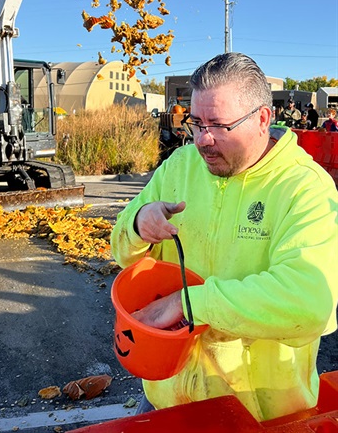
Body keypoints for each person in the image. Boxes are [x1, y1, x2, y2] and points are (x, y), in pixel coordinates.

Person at [111, 53, 338, 423]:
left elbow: (310, 302)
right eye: (196, 123)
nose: (203, 140)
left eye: (218, 124)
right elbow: (119, 248)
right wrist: (138, 225)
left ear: (263, 118)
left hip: (260, 412)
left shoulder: (304, 188)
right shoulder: (180, 167)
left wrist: (189, 304)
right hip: (167, 399)